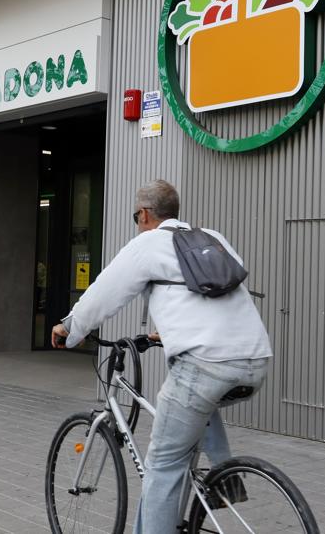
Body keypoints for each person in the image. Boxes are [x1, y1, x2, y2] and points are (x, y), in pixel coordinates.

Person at [52, 180, 272, 534]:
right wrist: (166, 333)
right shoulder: (212, 238)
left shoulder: (148, 243)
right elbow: (214, 288)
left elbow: (104, 293)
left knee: (164, 465)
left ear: (143, 214)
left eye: (135, 216)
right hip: (255, 358)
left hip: (206, 365)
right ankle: (223, 482)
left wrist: (69, 327)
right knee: (202, 406)